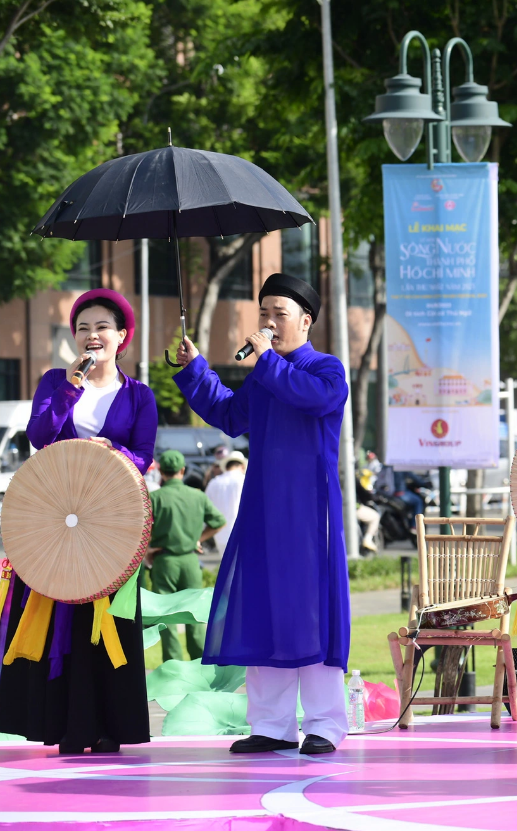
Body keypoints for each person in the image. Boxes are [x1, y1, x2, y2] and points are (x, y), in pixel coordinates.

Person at [172, 272, 351, 756]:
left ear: (306, 320)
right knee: (265, 608)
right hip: (264, 508)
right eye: (264, 313)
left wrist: (268, 360)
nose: (268, 322)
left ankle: (324, 724)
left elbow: (316, 399)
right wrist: (196, 370)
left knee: (312, 615)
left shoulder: (326, 369)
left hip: (311, 514)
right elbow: (231, 416)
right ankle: (271, 726)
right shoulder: (267, 373)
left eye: (280, 313)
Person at [0, 289, 156, 754]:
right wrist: (70, 388)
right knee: (59, 610)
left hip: (113, 522)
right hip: (54, 519)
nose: (92, 335)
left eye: (102, 326)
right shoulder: (55, 381)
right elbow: (40, 436)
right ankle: (64, 725)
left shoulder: (139, 395)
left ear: (121, 336)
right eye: (83, 328)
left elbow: (143, 454)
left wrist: (112, 452)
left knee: (106, 617)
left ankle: (109, 726)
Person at [147, 450, 225, 663]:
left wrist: (149, 549)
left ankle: (172, 665)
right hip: (191, 560)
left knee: (167, 618)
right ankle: (199, 664)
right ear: (183, 470)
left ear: (161, 472)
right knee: (194, 615)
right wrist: (199, 538)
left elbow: (141, 529)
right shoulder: (198, 496)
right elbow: (219, 522)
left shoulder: (154, 498)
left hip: (165, 561)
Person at [205, 451, 246, 555]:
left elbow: (206, 510)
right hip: (242, 534)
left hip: (220, 535)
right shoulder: (244, 480)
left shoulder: (214, 483)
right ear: (242, 466)